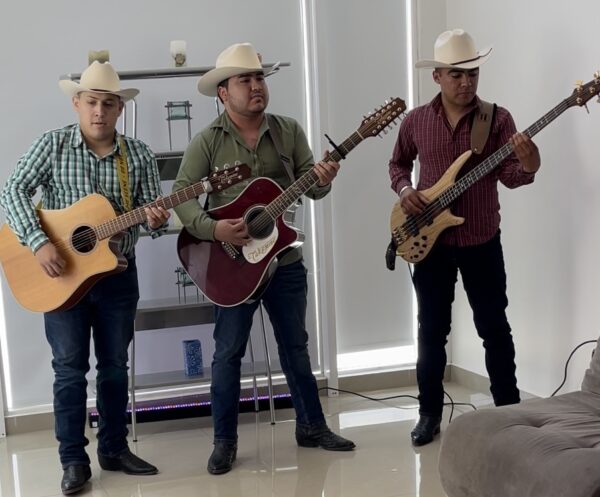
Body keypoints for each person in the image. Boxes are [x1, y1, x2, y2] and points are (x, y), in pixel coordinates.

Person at [173, 42, 355, 475]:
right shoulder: (207, 142)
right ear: (223, 92)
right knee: (227, 352)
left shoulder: (288, 130)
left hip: (283, 259)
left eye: (260, 79)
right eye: (246, 80)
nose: (256, 86)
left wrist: (325, 178)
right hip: (232, 264)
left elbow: (312, 188)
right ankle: (224, 442)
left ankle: (311, 426)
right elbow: (183, 196)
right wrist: (214, 229)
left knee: (296, 346)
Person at [0, 61, 170, 495]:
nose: (99, 112)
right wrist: (38, 242)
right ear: (77, 103)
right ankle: (73, 460)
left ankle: (113, 449)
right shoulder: (53, 146)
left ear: (119, 109)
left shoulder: (139, 155)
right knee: (70, 371)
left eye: (108, 104)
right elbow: (11, 190)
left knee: (114, 368)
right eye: (91, 102)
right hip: (61, 280)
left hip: (116, 279)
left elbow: (151, 218)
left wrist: (155, 218)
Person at [388, 29, 541, 446]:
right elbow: (398, 164)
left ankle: (508, 411)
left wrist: (528, 165)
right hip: (430, 243)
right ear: (437, 76)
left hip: (480, 241)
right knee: (431, 331)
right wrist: (406, 191)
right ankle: (428, 414)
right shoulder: (417, 120)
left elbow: (510, 176)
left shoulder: (498, 119)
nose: (466, 82)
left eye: (472, 73)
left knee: (494, 328)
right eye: (456, 74)